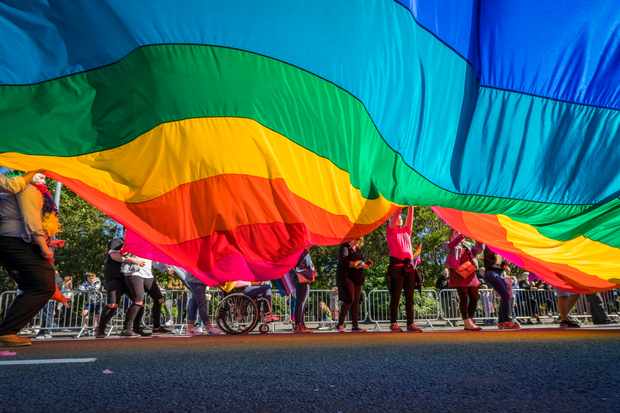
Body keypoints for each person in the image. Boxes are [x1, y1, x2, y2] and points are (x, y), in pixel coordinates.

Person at [0, 171, 57, 347]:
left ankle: (8, 330)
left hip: (13, 241)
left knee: (33, 285)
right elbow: (31, 220)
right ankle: (7, 331)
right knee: (43, 284)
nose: (44, 176)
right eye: (38, 172)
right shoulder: (28, 189)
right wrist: (43, 246)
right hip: (14, 241)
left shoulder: (32, 189)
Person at [386, 207, 423, 333]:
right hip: (396, 267)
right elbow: (396, 215)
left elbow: (410, 219)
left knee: (410, 297)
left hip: (409, 267)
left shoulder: (407, 231)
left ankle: (410, 323)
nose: (400, 219)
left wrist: (411, 206)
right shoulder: (391, 230)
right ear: (391, 220)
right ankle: (393, 323)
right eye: (398, 218)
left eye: (402, 218)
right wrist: (400, 205)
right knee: (395, 296)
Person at [121, 254, 173, 336]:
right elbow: (122, 256)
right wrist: (135, 260)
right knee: (139, 300)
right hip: (135, 274)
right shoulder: (134, 244)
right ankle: (127, 329)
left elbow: (156, 263)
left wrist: (167, 268)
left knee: (159, 299)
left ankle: (156, 327)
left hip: (148, 275)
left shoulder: (150, 247)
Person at [446, 231, 483, 331]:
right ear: (452, 235)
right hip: (458, 273)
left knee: (475, 297)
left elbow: (478, 250)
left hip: (470, 272)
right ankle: (467, 321)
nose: (458, 233)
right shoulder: (450, 244)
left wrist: (478, 239)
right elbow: (451, 246)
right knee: (463, 297)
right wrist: (462, 234)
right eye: (455, 232)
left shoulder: (468, 245)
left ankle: (469, 320)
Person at [169, 266, 221, 336]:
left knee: (194, 304)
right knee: (201, 304)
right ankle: (209, 327)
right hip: (197, 280)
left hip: (196, 279)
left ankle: (190, 329)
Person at [95, 237, 129, 338]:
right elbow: (114, 255)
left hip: (128, 278)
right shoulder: (117, 241)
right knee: (112, 305)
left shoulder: (134, 243)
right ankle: (100, 329)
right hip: (114, 278)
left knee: (138, 301)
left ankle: (130, 328)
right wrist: (131, 260)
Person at [336, 238, 372, 332]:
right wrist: (354, 264)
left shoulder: (358, 249)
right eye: (357, 238)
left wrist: (365, 265)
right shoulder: (345, 247)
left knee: (356, 302)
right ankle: (340, 324)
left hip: (357, 278)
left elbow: (361, 263)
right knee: (349, 299)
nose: (359, 239)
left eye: (360, 238)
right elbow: (343, 261)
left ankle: (355, 326)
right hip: (346, 276)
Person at [482, 246, 520, 329]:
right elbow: (491, 263)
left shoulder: (501, 249)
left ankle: (502, 321)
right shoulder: (490, 247)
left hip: (498, 274)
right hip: (491, 273)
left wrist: (506, 262)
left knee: (505, 296)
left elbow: (502, 266)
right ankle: (506, 320)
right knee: (506, 295)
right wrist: (502, 260)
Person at [290, 249, 316, 333]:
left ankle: (300, 324)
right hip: (303, 278)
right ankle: (299, 325)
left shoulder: (298, 251)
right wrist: (312, 272)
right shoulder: (303, 252)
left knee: (300, 302)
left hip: (300, 278)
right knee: (301, 302)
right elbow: (309, 265)